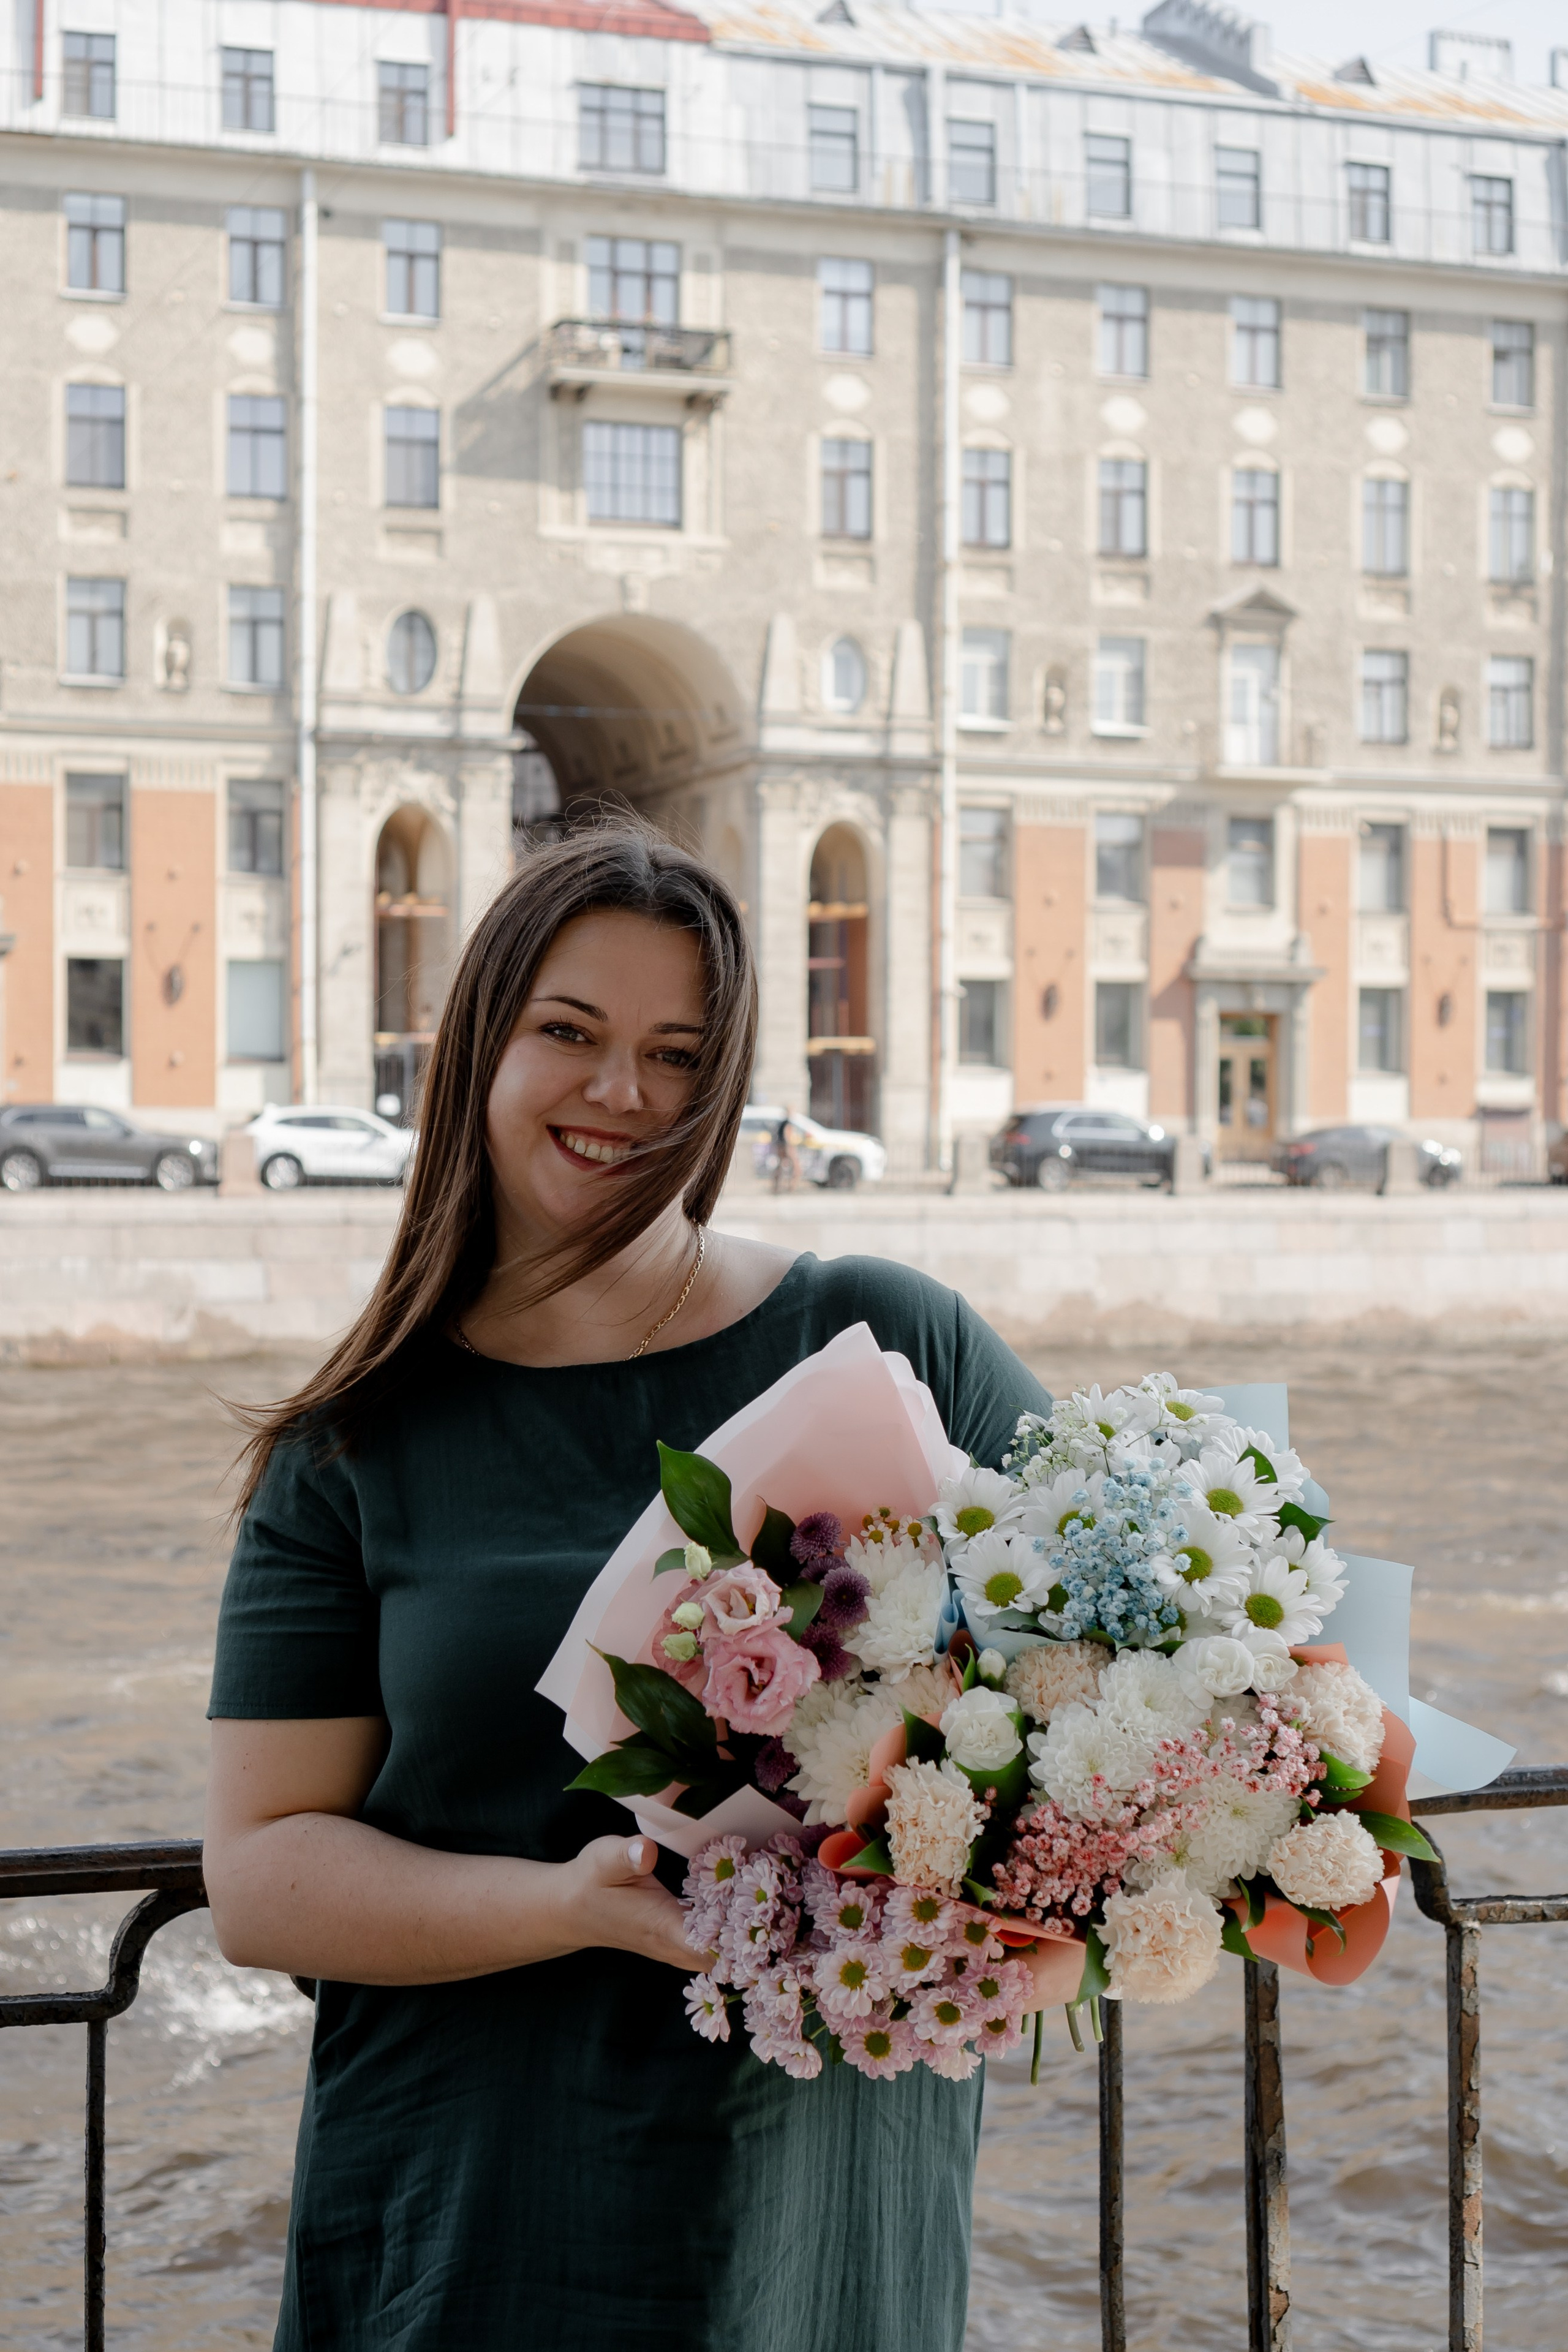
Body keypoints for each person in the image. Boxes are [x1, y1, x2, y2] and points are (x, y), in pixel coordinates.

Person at [204, 821, 1054, 2352]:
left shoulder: (882, 1334)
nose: (620, 1094)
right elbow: (260, 1872)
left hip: (816, 2210)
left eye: (675, 1053)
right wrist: (569, 1907)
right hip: (474, 2210)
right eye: (569, 1032)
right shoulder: (354, 1442)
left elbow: (1118, 1653)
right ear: (477, 1047)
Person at [772, 1099, 801, 1192]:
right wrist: (790, 1147)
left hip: (780, 1145)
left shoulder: (782, 1123)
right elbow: (787, 1135)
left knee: (780, 1166)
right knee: (796, 1168)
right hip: (786, 1146)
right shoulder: (788, 1123)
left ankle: (776, 1187)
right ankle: (791, 1187)